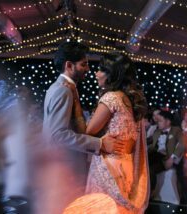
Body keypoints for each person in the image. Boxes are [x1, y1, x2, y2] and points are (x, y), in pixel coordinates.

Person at [41, 42, 125, 213]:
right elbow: (58, 135)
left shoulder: (63, 88)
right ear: (69, 65)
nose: (88, 69)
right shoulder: (63, 90)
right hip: (64, 169)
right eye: (84, 64)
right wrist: (100, 144)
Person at [67, 52, 150, 213]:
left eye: (100, 70)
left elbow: (87, 131)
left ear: (112, 74)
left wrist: (76, 102)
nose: (96, 74)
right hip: (126, 166)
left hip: (109, 166)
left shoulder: (111, 98)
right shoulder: (130, 101)